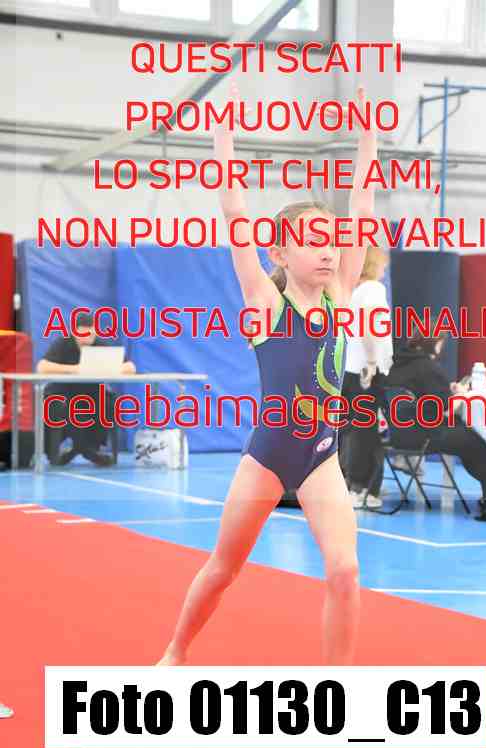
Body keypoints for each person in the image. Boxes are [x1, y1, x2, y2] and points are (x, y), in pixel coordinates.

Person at [157, 84, 377, 666]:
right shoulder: (265, 302)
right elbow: (235, 212)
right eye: (313, 243)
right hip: (267, 458)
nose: (328, 252)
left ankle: (338, 684)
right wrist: (223, 134)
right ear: (279, 253)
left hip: (320, 457)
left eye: (332, 243)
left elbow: (363, 208)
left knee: (345, 570)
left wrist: (368, 140)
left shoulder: (340, 294)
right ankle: (176, 652)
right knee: (224, 568)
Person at [386, 326, 486, 496]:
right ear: (434, 342)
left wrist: (447, 390)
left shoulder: (398, 365)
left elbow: (425, 396)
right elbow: (447, 409)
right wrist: (461, 395)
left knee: (473, 442)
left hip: (399, 434)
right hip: (426, 435)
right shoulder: (429, 368)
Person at [37, 311, 136, 466]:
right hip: (62, 392)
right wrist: (75, 369)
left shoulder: (100, 345)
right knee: (59, 406)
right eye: (81, 335)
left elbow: (130, 367)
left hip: (90, 393)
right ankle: (83, 450)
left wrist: (109, 368)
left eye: (89, 335)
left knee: (108, 404)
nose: (85, 339)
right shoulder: (63, 343)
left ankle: (88, 448)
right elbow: (42, 367)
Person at [339, 246, 393, 509]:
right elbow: (371, 328)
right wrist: (372, 363)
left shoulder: (352, 291)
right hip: (367, 370)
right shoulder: (373, 289)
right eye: (382, 264)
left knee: (353, 430)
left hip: (350, 370)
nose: (384, 269)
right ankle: (364, 488)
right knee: (368, 432)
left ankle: (352, 484)